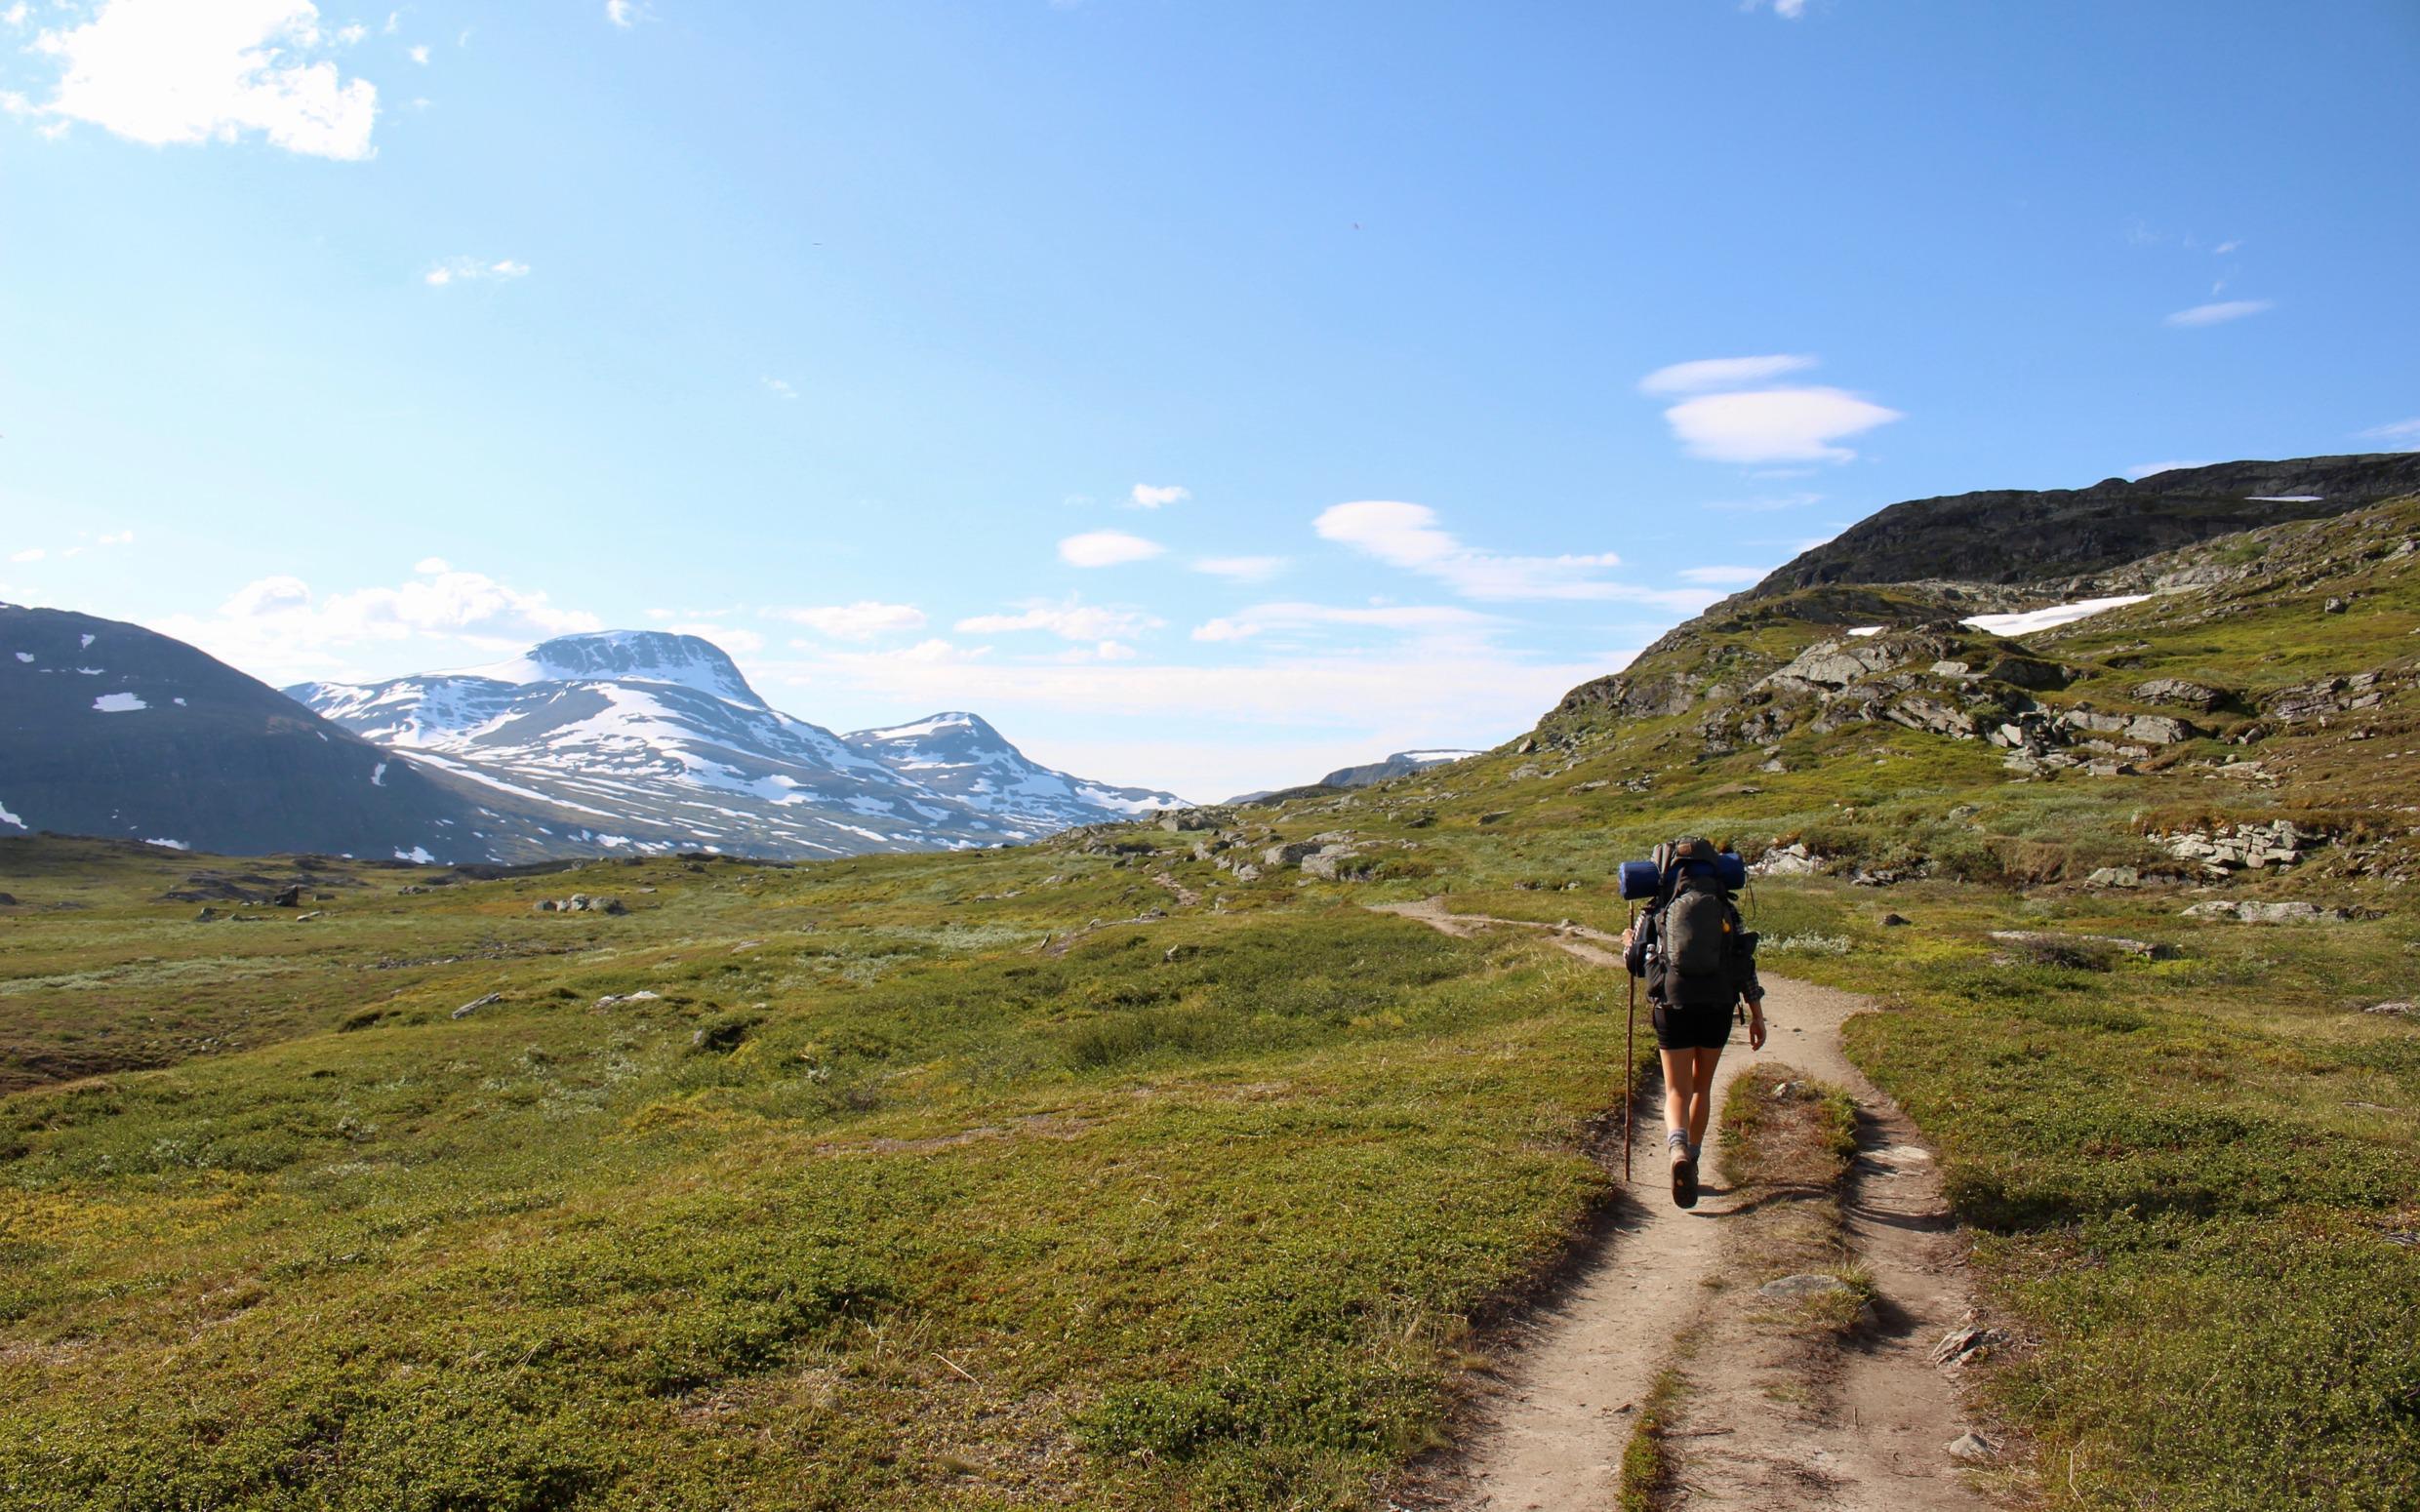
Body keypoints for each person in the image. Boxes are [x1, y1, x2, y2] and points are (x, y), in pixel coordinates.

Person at [1621, 838, 1765, 1209]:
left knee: (1676, 1091)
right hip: (1718, 1003)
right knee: (1702, 1087)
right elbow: (1743, 963)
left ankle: (1677, 1151)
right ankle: (1694, 1159)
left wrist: (1627, 941)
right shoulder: (1725, 908)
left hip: (1673, 1002)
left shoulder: (1658, 907)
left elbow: (1635, 962)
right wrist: (1756, 1016)